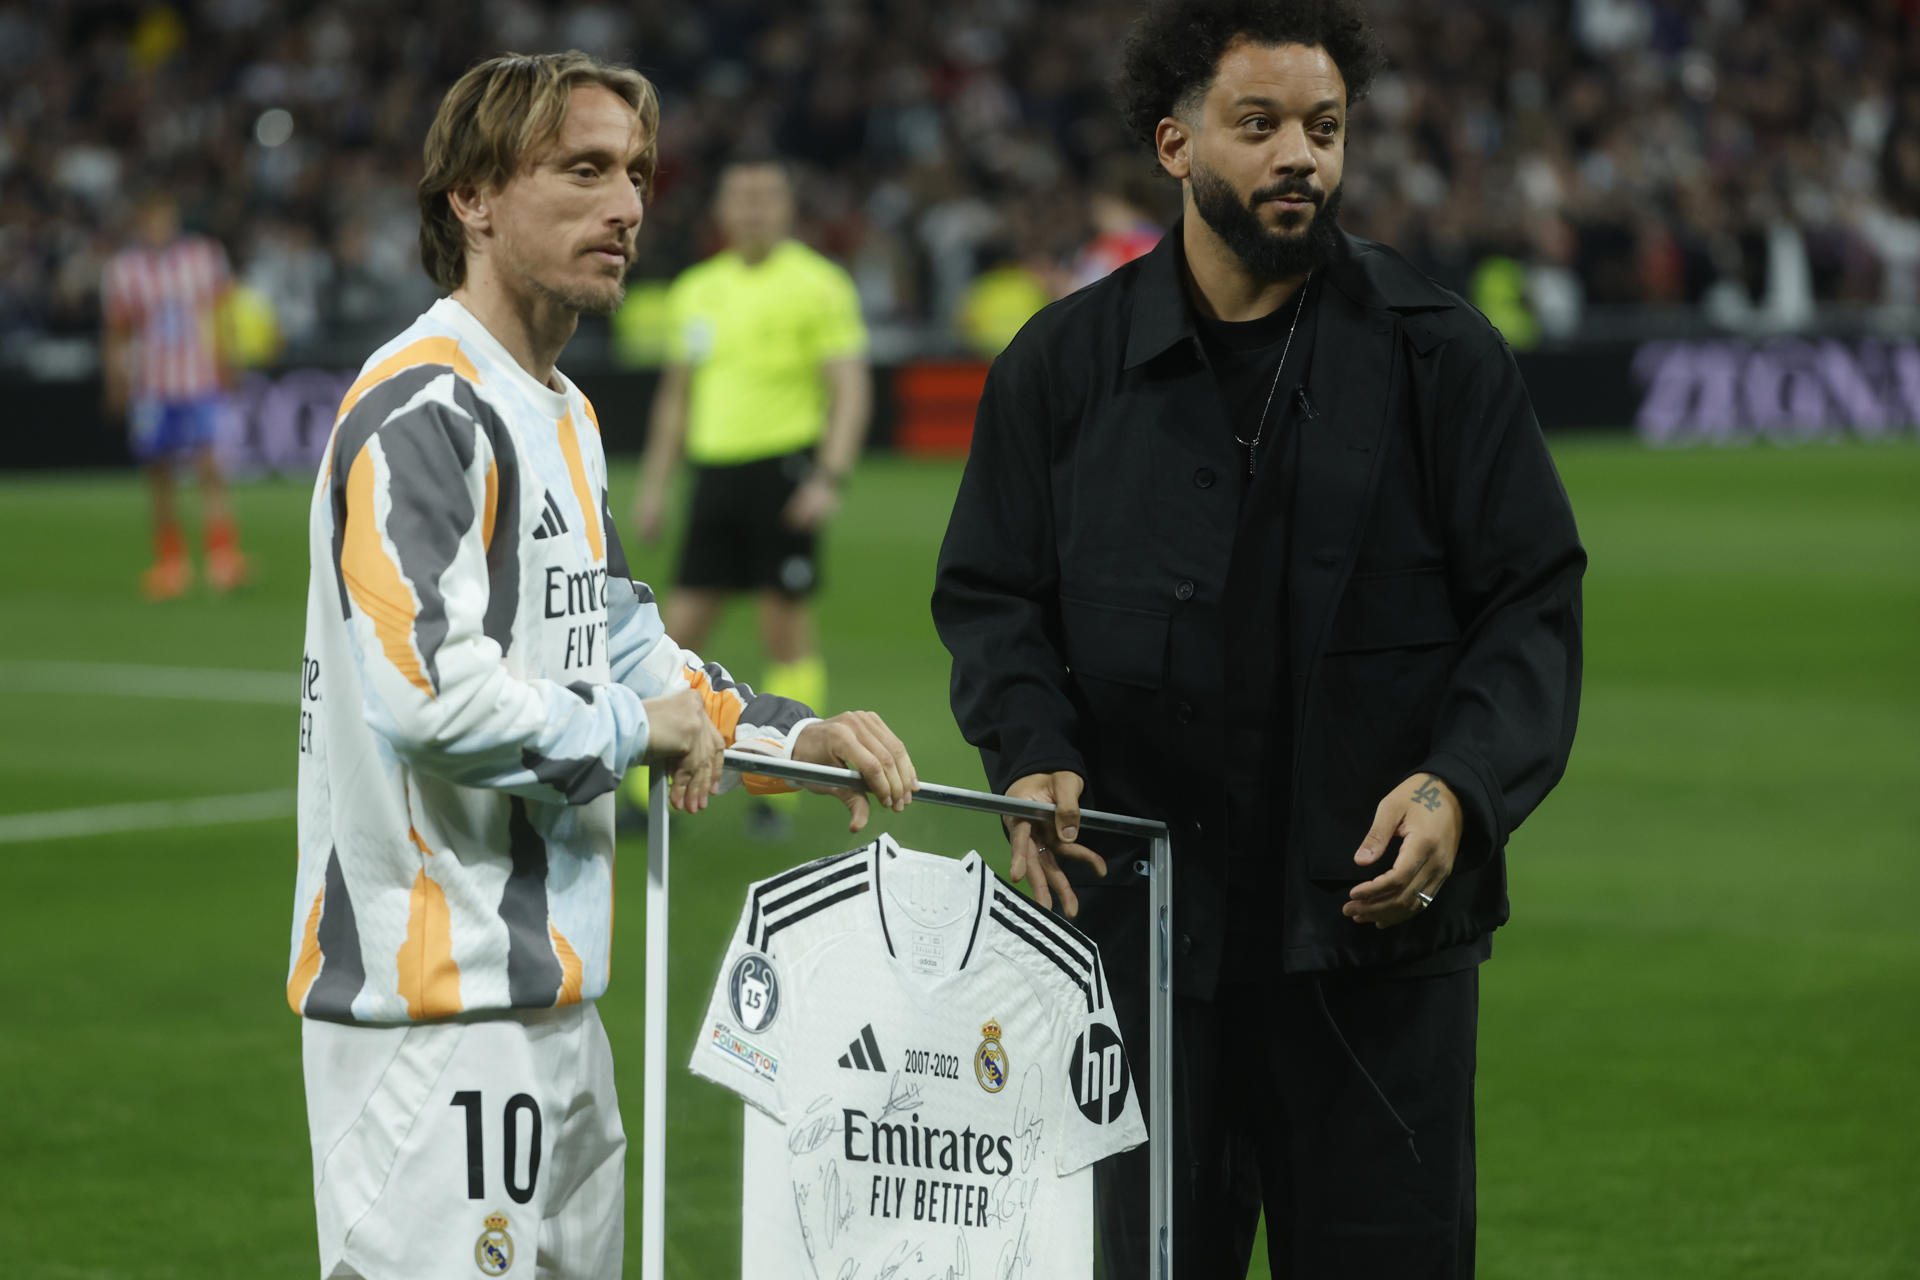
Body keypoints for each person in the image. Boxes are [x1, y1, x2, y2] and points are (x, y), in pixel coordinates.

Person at [931, 1, 1585, 1276]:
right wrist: (1028, 746)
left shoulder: (1439, 354)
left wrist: (1464, 785)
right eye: (1262, 124)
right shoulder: (1063, 368)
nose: (1303, 155)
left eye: (1326, 128)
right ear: (1174, 144)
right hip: (1143, 956)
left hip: (1378, 950)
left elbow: (1533, 603)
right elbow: (993, 594)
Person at [289, 52, 916, 1280]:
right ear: (472, 197)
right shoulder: (425, 407)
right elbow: (429, 696)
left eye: (635, 173)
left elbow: (629, 641)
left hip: (557, 1007)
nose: (627, 205)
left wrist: (793, 739)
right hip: (430, 1016)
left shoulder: (560, 411)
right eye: (583, 171)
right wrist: (640, 731)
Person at [627, 154, 871, 836]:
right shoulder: (697, 290)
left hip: (784, 472)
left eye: (768, 196)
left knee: (784, 633)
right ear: (723, 211)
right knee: (674, 635)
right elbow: (675, 399)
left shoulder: (818, 284)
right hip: (715, 476)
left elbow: (849, 387)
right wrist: (654, 486)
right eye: (742, 197)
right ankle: (644, 788)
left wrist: (828, 475)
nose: (755, 209)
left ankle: (781, 791)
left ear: (788, 208)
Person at [101, 188, 250, 600]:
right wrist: (116, 381)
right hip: (152, 386)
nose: (158, 225)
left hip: (198, 380)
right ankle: (172, 564)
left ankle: (223, 558)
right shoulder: (126, 269)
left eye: (164, 217)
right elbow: (117, 331)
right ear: (140, 221)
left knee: (210, 467)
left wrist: (229, 361)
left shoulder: (203, 257)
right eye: (150, 218)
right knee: (159, 475)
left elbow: (222, 314)